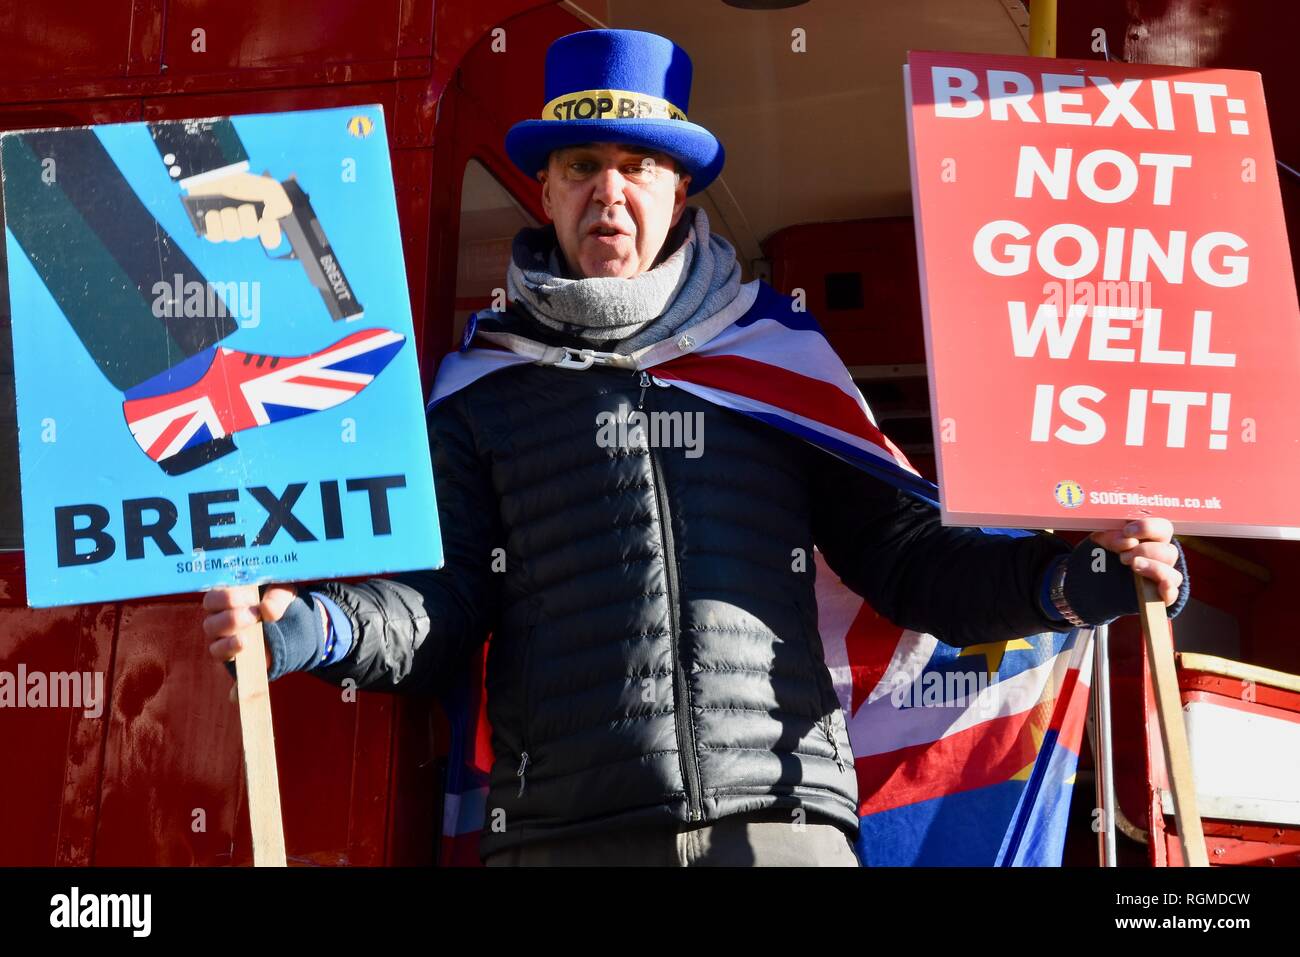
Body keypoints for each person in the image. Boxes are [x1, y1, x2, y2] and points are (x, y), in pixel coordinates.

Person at [200, 29, 1189, 867]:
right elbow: (442, 609)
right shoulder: (479, 392)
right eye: (581, 167)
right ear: (541, 190)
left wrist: (1080, 580)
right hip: (560, 840)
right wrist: (315, 632)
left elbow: (911, 563)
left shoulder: (780, 362)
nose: (609, 194)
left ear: (678, 190)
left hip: (782, 823)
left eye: (637, 166)